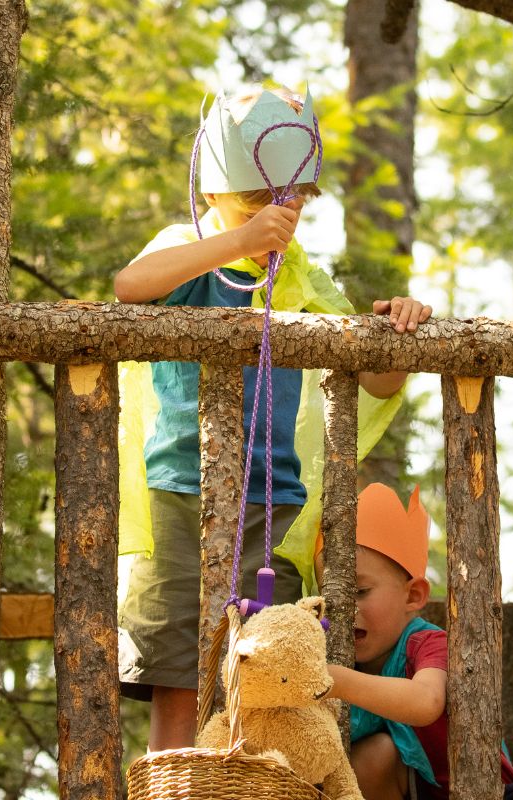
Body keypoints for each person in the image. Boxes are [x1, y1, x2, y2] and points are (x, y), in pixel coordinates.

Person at [112, 84, 434, 751]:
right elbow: (130, 286)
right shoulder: (190, 246)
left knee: (269, 672)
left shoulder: (300, 277)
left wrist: (397, 332)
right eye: (257, 201)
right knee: (178, 665)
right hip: (180, 489)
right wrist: (237, 240)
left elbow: (371, 380)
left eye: (289, 202)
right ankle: (173, 790)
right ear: (218, 193)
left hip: (275, 505)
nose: (276, 216)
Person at [323, 483, 513, 800]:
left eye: (359, 592)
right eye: (331, 598)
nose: (344, 609)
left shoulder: (427, 643)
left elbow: (425, 702)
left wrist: (336, 680)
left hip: (489, 794)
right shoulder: (333, 656)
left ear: (413, 595)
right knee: (372, 756)